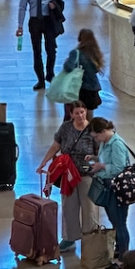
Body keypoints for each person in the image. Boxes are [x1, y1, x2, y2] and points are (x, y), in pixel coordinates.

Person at [36, 100, 99, 253]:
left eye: (82, 112)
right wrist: (44, 162)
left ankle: (91, 237)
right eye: (76, 113)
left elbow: (101, 152)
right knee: (68, 206)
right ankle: (69, 238)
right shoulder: (65, 128)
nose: (80, 115)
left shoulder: (93, 130)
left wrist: (94, 158)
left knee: (89, 207)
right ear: (71, 114)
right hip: (68, 173)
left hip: (86, 174)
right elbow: (56, 146)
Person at [85, 117, 133, 269]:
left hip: (116, 188)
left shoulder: (116, 144)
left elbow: (119, 167)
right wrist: (95, 159)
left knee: (119, 222)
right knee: (115, 221)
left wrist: (101, 166)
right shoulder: (105, 142)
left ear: (103, 131)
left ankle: (123, 258)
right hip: (108, 186)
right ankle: (120, 249)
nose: (96, 139)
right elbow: (107, 159)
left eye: (96, 136)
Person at [16, 0, 61, 90]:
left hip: (48, 20)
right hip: (35, 21)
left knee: (51, 49)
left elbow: (59, 0)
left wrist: (54, 5)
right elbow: (22, 7)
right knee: (37, 51)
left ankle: (50, 73)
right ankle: (40, 79)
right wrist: (20, 26)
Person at [64, 28, 103, 115]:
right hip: (93, 88)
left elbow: (68, 67)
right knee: (89, 114)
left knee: (78, 114)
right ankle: (88, 128)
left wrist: (67, 61)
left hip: (80, 88)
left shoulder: (76, 53)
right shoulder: (95, 53)